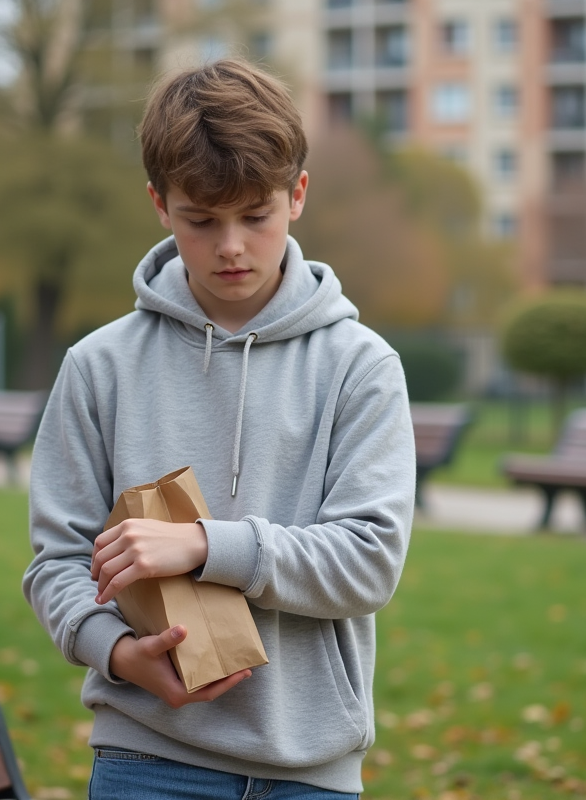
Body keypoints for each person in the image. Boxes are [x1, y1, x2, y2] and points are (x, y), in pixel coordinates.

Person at [23, 58, 415, 799]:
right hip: (145, 761)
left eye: (254, 215)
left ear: (297, 195)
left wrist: (206, 545)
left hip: (309, 772)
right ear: (159, 205)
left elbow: (369, 562)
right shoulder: (98, 366)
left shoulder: (359, 365)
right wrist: (115, 652)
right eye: (201, 220)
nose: (230, 245)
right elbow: (57, 562)